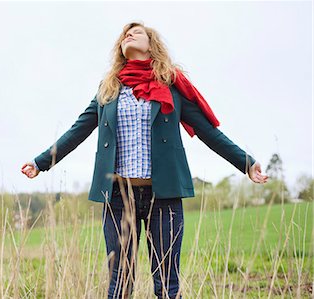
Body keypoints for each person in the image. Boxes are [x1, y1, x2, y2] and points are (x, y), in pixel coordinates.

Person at [21, 22, 268, 299]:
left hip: (163, 196)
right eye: (125, 33)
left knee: (166, 284)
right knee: (120, 283)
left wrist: (246, 163)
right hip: (118, 197)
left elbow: (207, 131)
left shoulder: (171, 87)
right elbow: (78, 129)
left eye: (136, 32)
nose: (129, 34)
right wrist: (41, 162)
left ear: (151, 44)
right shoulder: (108, 90)